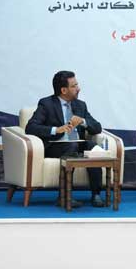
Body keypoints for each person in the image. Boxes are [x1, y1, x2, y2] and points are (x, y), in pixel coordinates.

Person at [25, 71, 105, 208]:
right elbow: (31, 127)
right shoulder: (46, 104)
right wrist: (56, 130)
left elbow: (97, 127)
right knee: (71, 146)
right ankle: (64, 196)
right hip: (55, 146)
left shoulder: (80, 105)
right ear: (63, 90)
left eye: (77, 85)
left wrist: (83, 121)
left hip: (76, 144)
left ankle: (96, 194)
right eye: (74, 86)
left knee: (92, 146)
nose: (78, 88)